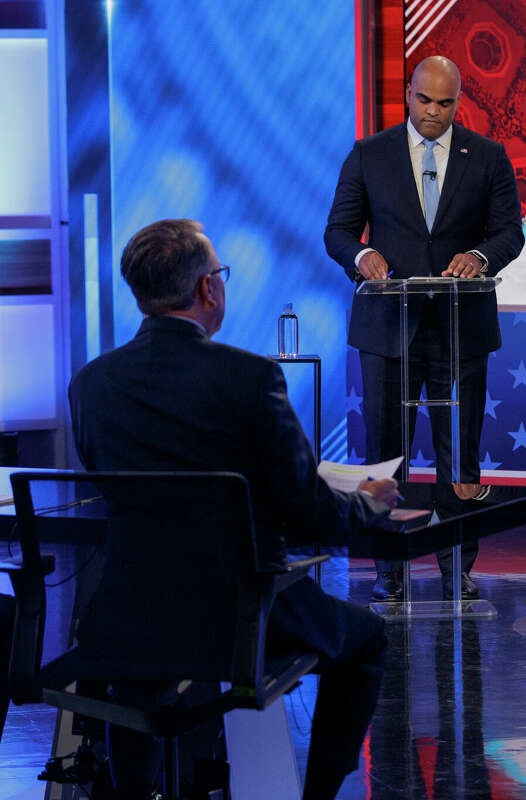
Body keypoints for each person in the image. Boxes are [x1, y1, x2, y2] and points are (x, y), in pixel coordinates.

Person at [69, 219, 400, 800]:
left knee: (138, 680)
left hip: (126, 616)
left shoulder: (91, 385)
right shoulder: (250, 378)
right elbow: (309, 515)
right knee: (365, 640)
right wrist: (369, 505)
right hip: (238, 616)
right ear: (208, 290)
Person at [325, 55, 525, 602]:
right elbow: (339, 231)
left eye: (446, 103)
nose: (434, 112)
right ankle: (391, 569)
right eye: (425, 101)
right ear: (407, 96)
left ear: (459, 102)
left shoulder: (487, 156)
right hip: (389, 327)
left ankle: (456, 564)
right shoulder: (369, 154)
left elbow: (511, 231)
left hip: (460, 330)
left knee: (459, 453)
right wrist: (363, 255)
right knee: (387, 452)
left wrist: (481, 256)